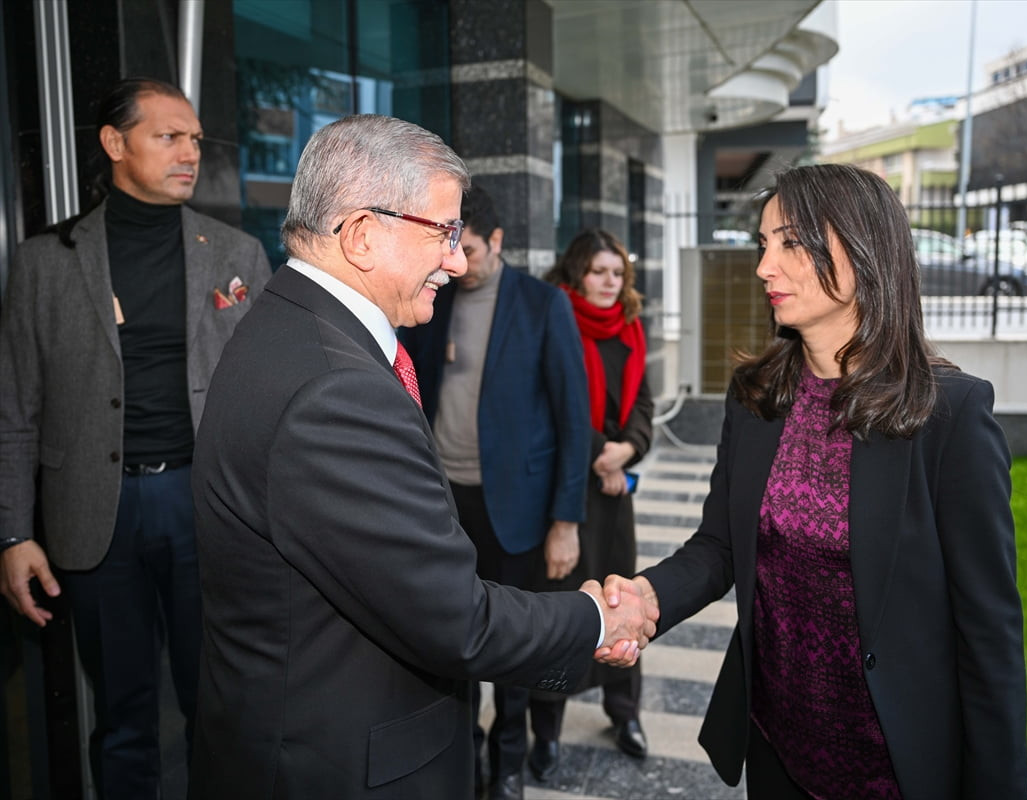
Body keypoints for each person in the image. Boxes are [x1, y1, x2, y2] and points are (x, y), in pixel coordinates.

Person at [186, 114, 654, 800]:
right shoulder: (334, 389)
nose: (458, 260)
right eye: (442, 232)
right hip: (342, 766)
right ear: (363, 235)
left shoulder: (288, 327)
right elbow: (455, 622)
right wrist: (597, 618)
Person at [605, 163, 1027, 799]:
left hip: (898, 770)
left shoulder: (948, 415)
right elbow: (720, 546)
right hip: (777, 752)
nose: (763, 268)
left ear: (864, 249)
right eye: (763, 245)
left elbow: (989, 636)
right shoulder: (757, 397)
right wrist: (645, 598)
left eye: (790, 244)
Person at [0, 77, 271, 799]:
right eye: (169, 137)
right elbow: (15, 411)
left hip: (207, 510)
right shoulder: (43, 264)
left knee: (220, 706)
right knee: (121, 716)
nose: (190, 152)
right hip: (95, 515)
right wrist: (13, 535)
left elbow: (274, 400)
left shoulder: (238, 257)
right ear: (115, 144)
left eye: (195, 139)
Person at [398, 185, 591, 800]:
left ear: (499, 242)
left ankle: (509, 762)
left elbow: (573, 418)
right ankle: (467, 757)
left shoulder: (542, 305)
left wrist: (566, 521)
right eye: (448, 242)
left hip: (516, 508)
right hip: (445, 502)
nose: (457, 259)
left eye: (470, 247)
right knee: (453, 638)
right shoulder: (436, 298)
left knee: (512, 644)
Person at [528, 229, 655, 776]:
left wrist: (627, 449)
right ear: (577, 272)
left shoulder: (630, 330)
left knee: (621, 598)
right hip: (566, 491)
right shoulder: (553, 322)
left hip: (612, 496)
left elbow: (643, 406)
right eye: (599, 271)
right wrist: (603, 455)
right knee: (562, 607)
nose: (609, 283)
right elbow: (549, 406)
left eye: (618, 273)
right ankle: (546, 729)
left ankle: (624, 711)